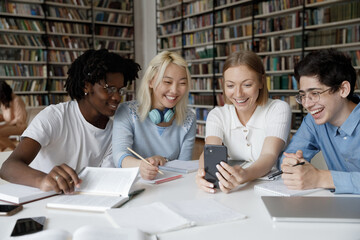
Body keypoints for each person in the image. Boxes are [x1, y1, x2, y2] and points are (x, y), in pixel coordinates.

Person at [0, 49, 140, 194]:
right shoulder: (55, 116)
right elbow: (8, 167)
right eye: (110, 89)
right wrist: (43, 180)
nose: (117, 97)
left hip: (77, 201)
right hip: (37, 199)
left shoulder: (115, 132)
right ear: (87, 86)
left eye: (120, 90)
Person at [196, 51, 292, 193]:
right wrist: (203, 173)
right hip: (238, 191)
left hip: (275, 189)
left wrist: (244, 175)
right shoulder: (217, 115)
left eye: (247, 85)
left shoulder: (278, 109)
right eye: (230, 86)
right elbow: (210, 152)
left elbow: (269, 155)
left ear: (261, 82)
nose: (238, 94)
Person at [279, 49, 360, 194]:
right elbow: (288, 156)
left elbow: (320, 179)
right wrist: (291, 165)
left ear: (343, 89)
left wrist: (321, 178)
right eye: (303, 95)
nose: (307, 104)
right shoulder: (313, 121)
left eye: (315, 93)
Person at [111, 51, 196, 180]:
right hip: (135, 183)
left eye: (182, 83)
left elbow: (184, 166)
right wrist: (141, 166)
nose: (174, 90)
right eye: (167, 82)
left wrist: (164, 160)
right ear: (151, 82)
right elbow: (119, 155)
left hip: (171, 185)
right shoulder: (127, 111)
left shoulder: (189, 118)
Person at [0, 81, 27, 151]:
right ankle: (3, 149)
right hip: (11, 125)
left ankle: (16, 150)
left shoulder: (17, 100)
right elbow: (7, 117)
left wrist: (6, 124)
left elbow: (20, 119)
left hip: (20, 126)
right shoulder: (5, 101)